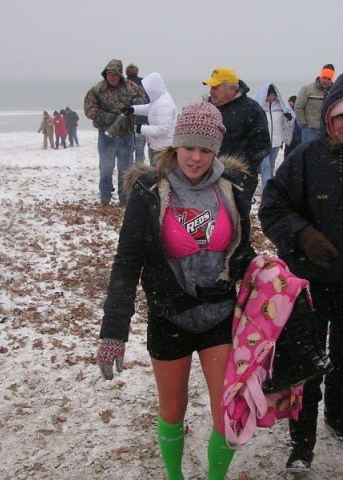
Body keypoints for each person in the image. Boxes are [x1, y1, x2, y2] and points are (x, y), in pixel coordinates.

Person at [97, 101, 257, 480]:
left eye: (206, 149)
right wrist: (114, 330)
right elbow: (127, 262)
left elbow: (242, 249)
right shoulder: (150, 191)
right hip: (169, 315)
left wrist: (262, 273)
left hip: (219, 315)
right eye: (189, 147)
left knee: (227, 413)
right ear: (175, 145)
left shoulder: (232, 188)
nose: (196, 157)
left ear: (216, 150)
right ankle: (175, 477)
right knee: (172, 410)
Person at [258, 70, 343, 472]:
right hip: (310, 283)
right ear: (328, 119)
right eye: (340, 118)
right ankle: (302, 443)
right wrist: (303, 235)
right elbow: (272, 207)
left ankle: (336, 412)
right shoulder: (303, 158)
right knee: (307, 362)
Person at [84, 59, 146, 205]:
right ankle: (105, 198)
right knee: (106, 167)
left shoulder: (131, 87)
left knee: (126, 169)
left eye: (115, 74)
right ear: (105, 74)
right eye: (109, 74)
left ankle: (124, 198)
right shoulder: (97, 90)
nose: (112, 77)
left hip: (126, 135)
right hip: (106, 135)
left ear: (120, 75)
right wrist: (104, 116)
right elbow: (88, 109)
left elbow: (143, 98)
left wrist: (137, 104)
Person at [203, 67, 270, 195]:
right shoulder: (207, 107)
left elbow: (262, 145)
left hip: (238, 178)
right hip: (207, 175)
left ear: (232, 89)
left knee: (236, 215)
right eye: (210, 87)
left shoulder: (251, 109)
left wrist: (239, 166)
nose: (211, 92)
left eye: (215, 87)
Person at [127, 72, 177, 165]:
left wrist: (140, 128)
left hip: (163, 150)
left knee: (160, 176)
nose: (145, 91)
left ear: (153, 88)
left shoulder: (164, 104)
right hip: (158, 146)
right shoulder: (159, 100)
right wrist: (133, 109)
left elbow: (163, 129)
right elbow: (150, 108)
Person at [253, 83, 295, 190]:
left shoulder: (280, 107)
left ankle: (269, 187)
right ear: (265, 96)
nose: (272, 98)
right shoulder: (259, 107)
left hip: (276, 141)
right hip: (263, 142)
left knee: (270, 167)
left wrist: (288, 117)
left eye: (273, 95)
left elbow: (285, 123)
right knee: (265, 167)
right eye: (269, 95)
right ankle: (266, 190)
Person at [294, 64, 335, 145]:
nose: (326, 81)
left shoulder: (334, 91)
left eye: (329, 79)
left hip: (327, 131)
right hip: (310, 130)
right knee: (309, 154)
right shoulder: (307, 89)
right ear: (320, 76)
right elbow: (298, 107)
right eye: (324, 78)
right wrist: (304, 124)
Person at [126, 64, 150, 164]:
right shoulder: (144, 84)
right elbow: (149, 102)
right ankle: (139, 169)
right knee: (140, 149)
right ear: (137, 72)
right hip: (141, 121)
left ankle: (130, 169)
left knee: (129, 149)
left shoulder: (124, 84)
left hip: (127, 122)